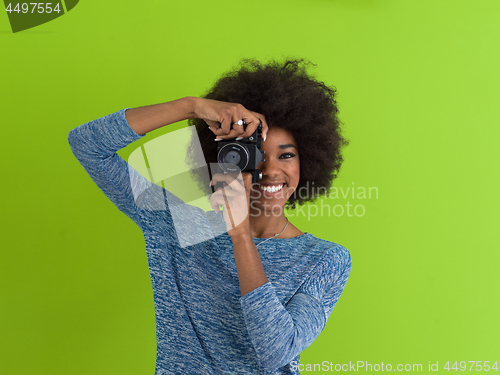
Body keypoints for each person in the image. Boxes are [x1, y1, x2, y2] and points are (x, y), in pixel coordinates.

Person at [68, 58, 352, 375]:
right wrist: (192, 107)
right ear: (225, 161)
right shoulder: (177, 224)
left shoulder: (325, 259)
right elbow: (87, 145)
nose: (271, 171)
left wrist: (240, 234)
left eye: (286, 155)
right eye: (256, 156)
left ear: (308, 162)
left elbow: (277, 350)